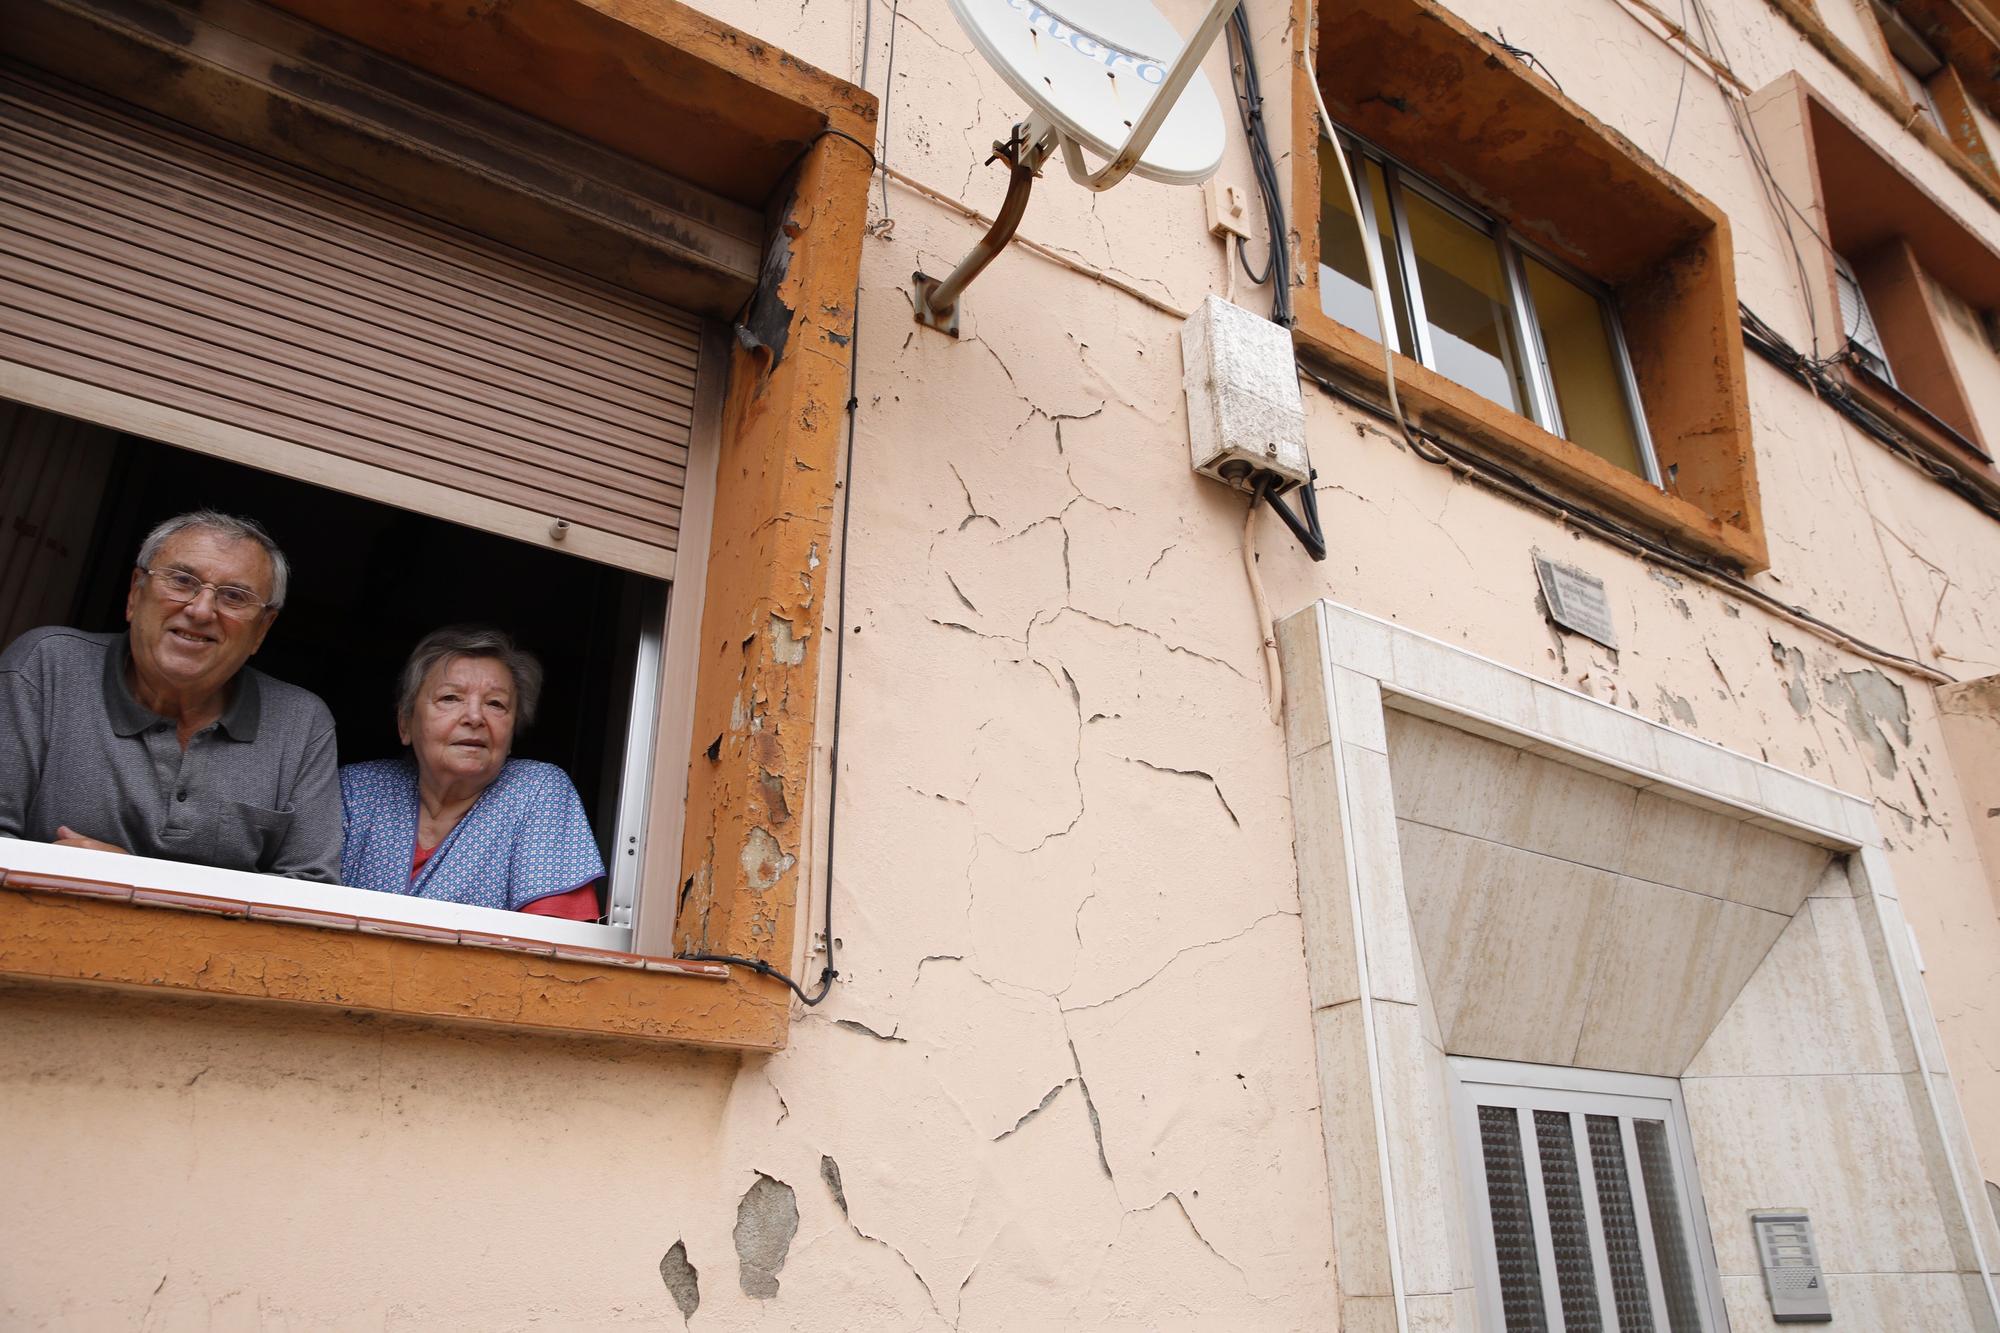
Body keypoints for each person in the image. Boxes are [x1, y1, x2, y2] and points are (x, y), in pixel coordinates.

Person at [0, 509, 342, 880]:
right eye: (181, 580)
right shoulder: (47, 666)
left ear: (262, 629)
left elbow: (311, 893)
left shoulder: (301, 723)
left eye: (234, 596)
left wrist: (134, 881)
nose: (200, 610)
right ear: (135, 593)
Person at [339, 625, 603, 919]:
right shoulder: (356, 791)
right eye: (450, 698)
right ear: (405, 723)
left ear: (513, 731)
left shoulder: (538, 791)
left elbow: (553, 947)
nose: (475, 717)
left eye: (495, 703)